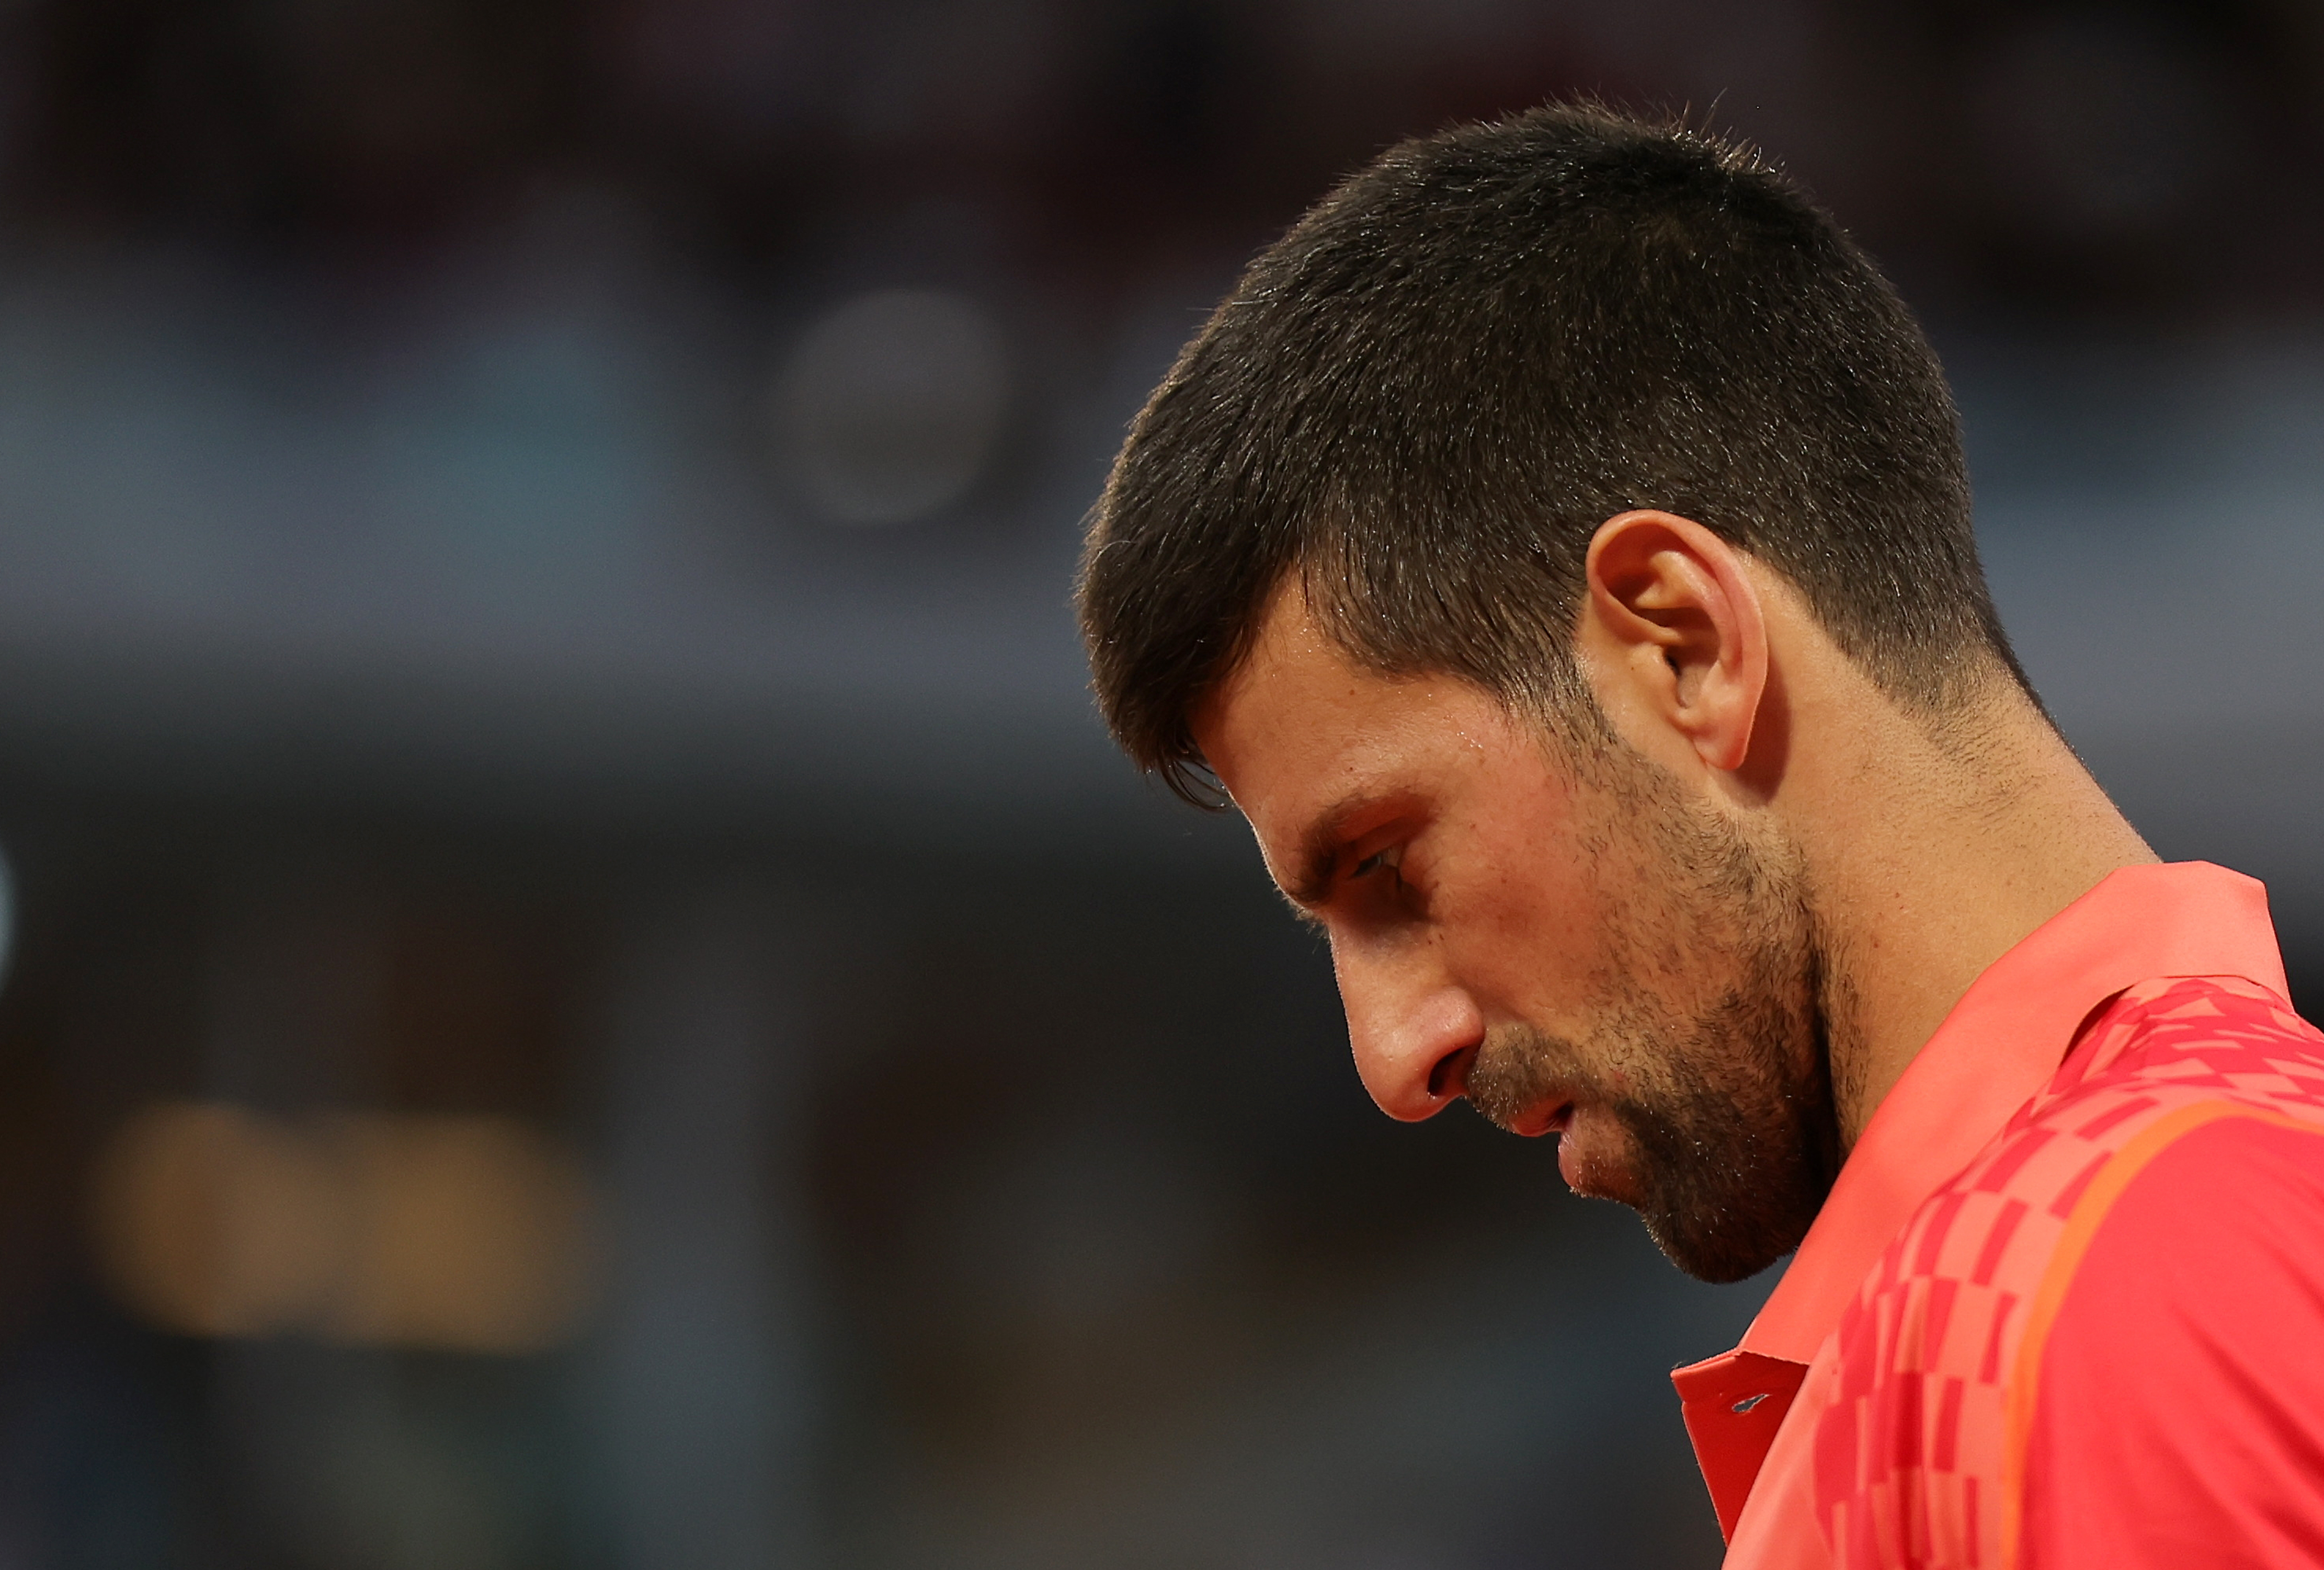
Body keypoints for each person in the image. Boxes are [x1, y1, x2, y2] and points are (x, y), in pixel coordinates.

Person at [1074, 102, 2324, 1568]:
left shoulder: (2107, 1279)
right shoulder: (2090, 1262)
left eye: (1387, 868)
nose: (1391, 1058)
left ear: (1679, 648)